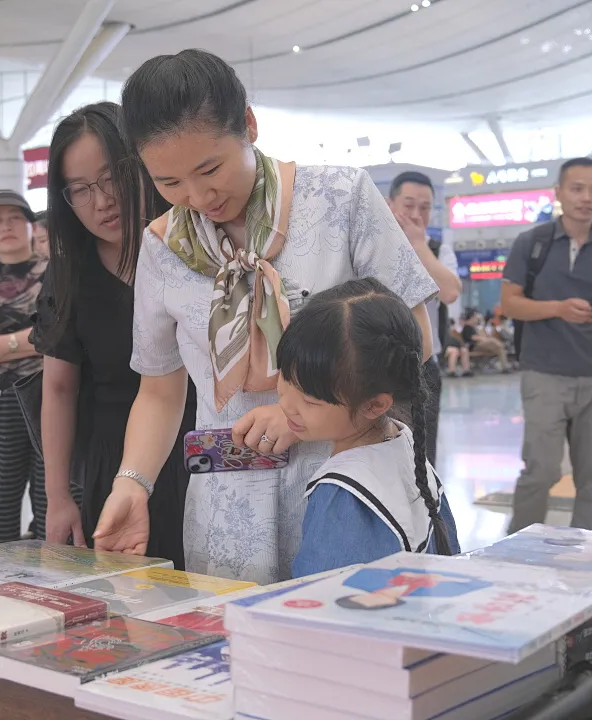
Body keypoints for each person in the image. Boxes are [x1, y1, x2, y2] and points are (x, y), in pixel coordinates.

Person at [93, 50, 438, 584]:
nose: (198, 196)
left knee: (341, 621)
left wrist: (299, 412)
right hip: (226, 507)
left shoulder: (338, 200)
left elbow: (413, 340)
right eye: (169, 183)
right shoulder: (162, 248)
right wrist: (132, 483)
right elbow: (160, 391)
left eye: (210, 169)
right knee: (235, 629)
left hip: (343, 484)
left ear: (249, 126)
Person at [32, 102, 196, 569]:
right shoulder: (70, 275)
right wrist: (58, 497)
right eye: (80, 189)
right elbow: (58, 389)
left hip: (203, 451)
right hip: (116, 463)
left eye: (111, 178)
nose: (102, 201)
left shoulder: (197, 248)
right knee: (131, 595)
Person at [276, 278, 459, 577]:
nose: (285, 404)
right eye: (284, 377)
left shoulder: (343, 492)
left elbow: (319, 596)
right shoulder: (404, 443)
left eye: (309, 400)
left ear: (374, 405)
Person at [501, 157, 592, 533]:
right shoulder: (532, 243)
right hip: (544, 373)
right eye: (577, 188)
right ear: (558, 193)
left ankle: (587, 549)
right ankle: (518, 549)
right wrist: (558, 308)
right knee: (540, 471)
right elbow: (510, 303)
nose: (587, 198)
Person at [0, 188, 47, 544]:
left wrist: (3, 346)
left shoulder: (55, 273)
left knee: (53, 497)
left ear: (32, 226)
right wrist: (32, 342)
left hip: (51, 396)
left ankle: (58, 573)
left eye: (15, 218)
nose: (6, 226)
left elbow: (63, 334)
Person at [386, 171, 461, 467]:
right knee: (378, 453)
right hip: (376, 364)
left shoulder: (438, 250)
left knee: (423, 456)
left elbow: (450, 292)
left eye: (425, 207)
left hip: (423, 366)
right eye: (409, 205)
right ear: (390, 204)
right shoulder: (374, 246)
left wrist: (418, 246)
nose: (417, 214)